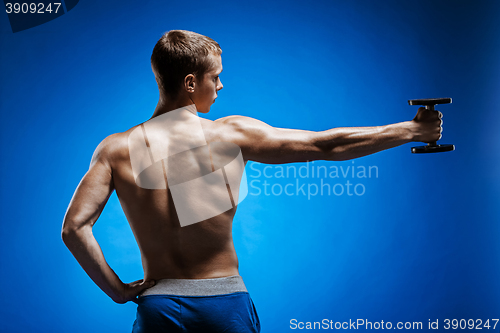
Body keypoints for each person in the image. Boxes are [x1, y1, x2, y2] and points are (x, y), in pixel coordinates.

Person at [61, 30, 443, 333]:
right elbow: (325, 145)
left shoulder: (115, 148)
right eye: (216, 77)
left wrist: (117, 290)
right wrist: (411, 130)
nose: (221, 86)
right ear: (190, 83)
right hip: (223, 305)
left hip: (159, 307)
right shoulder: (228, 135)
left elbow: (74, 228)